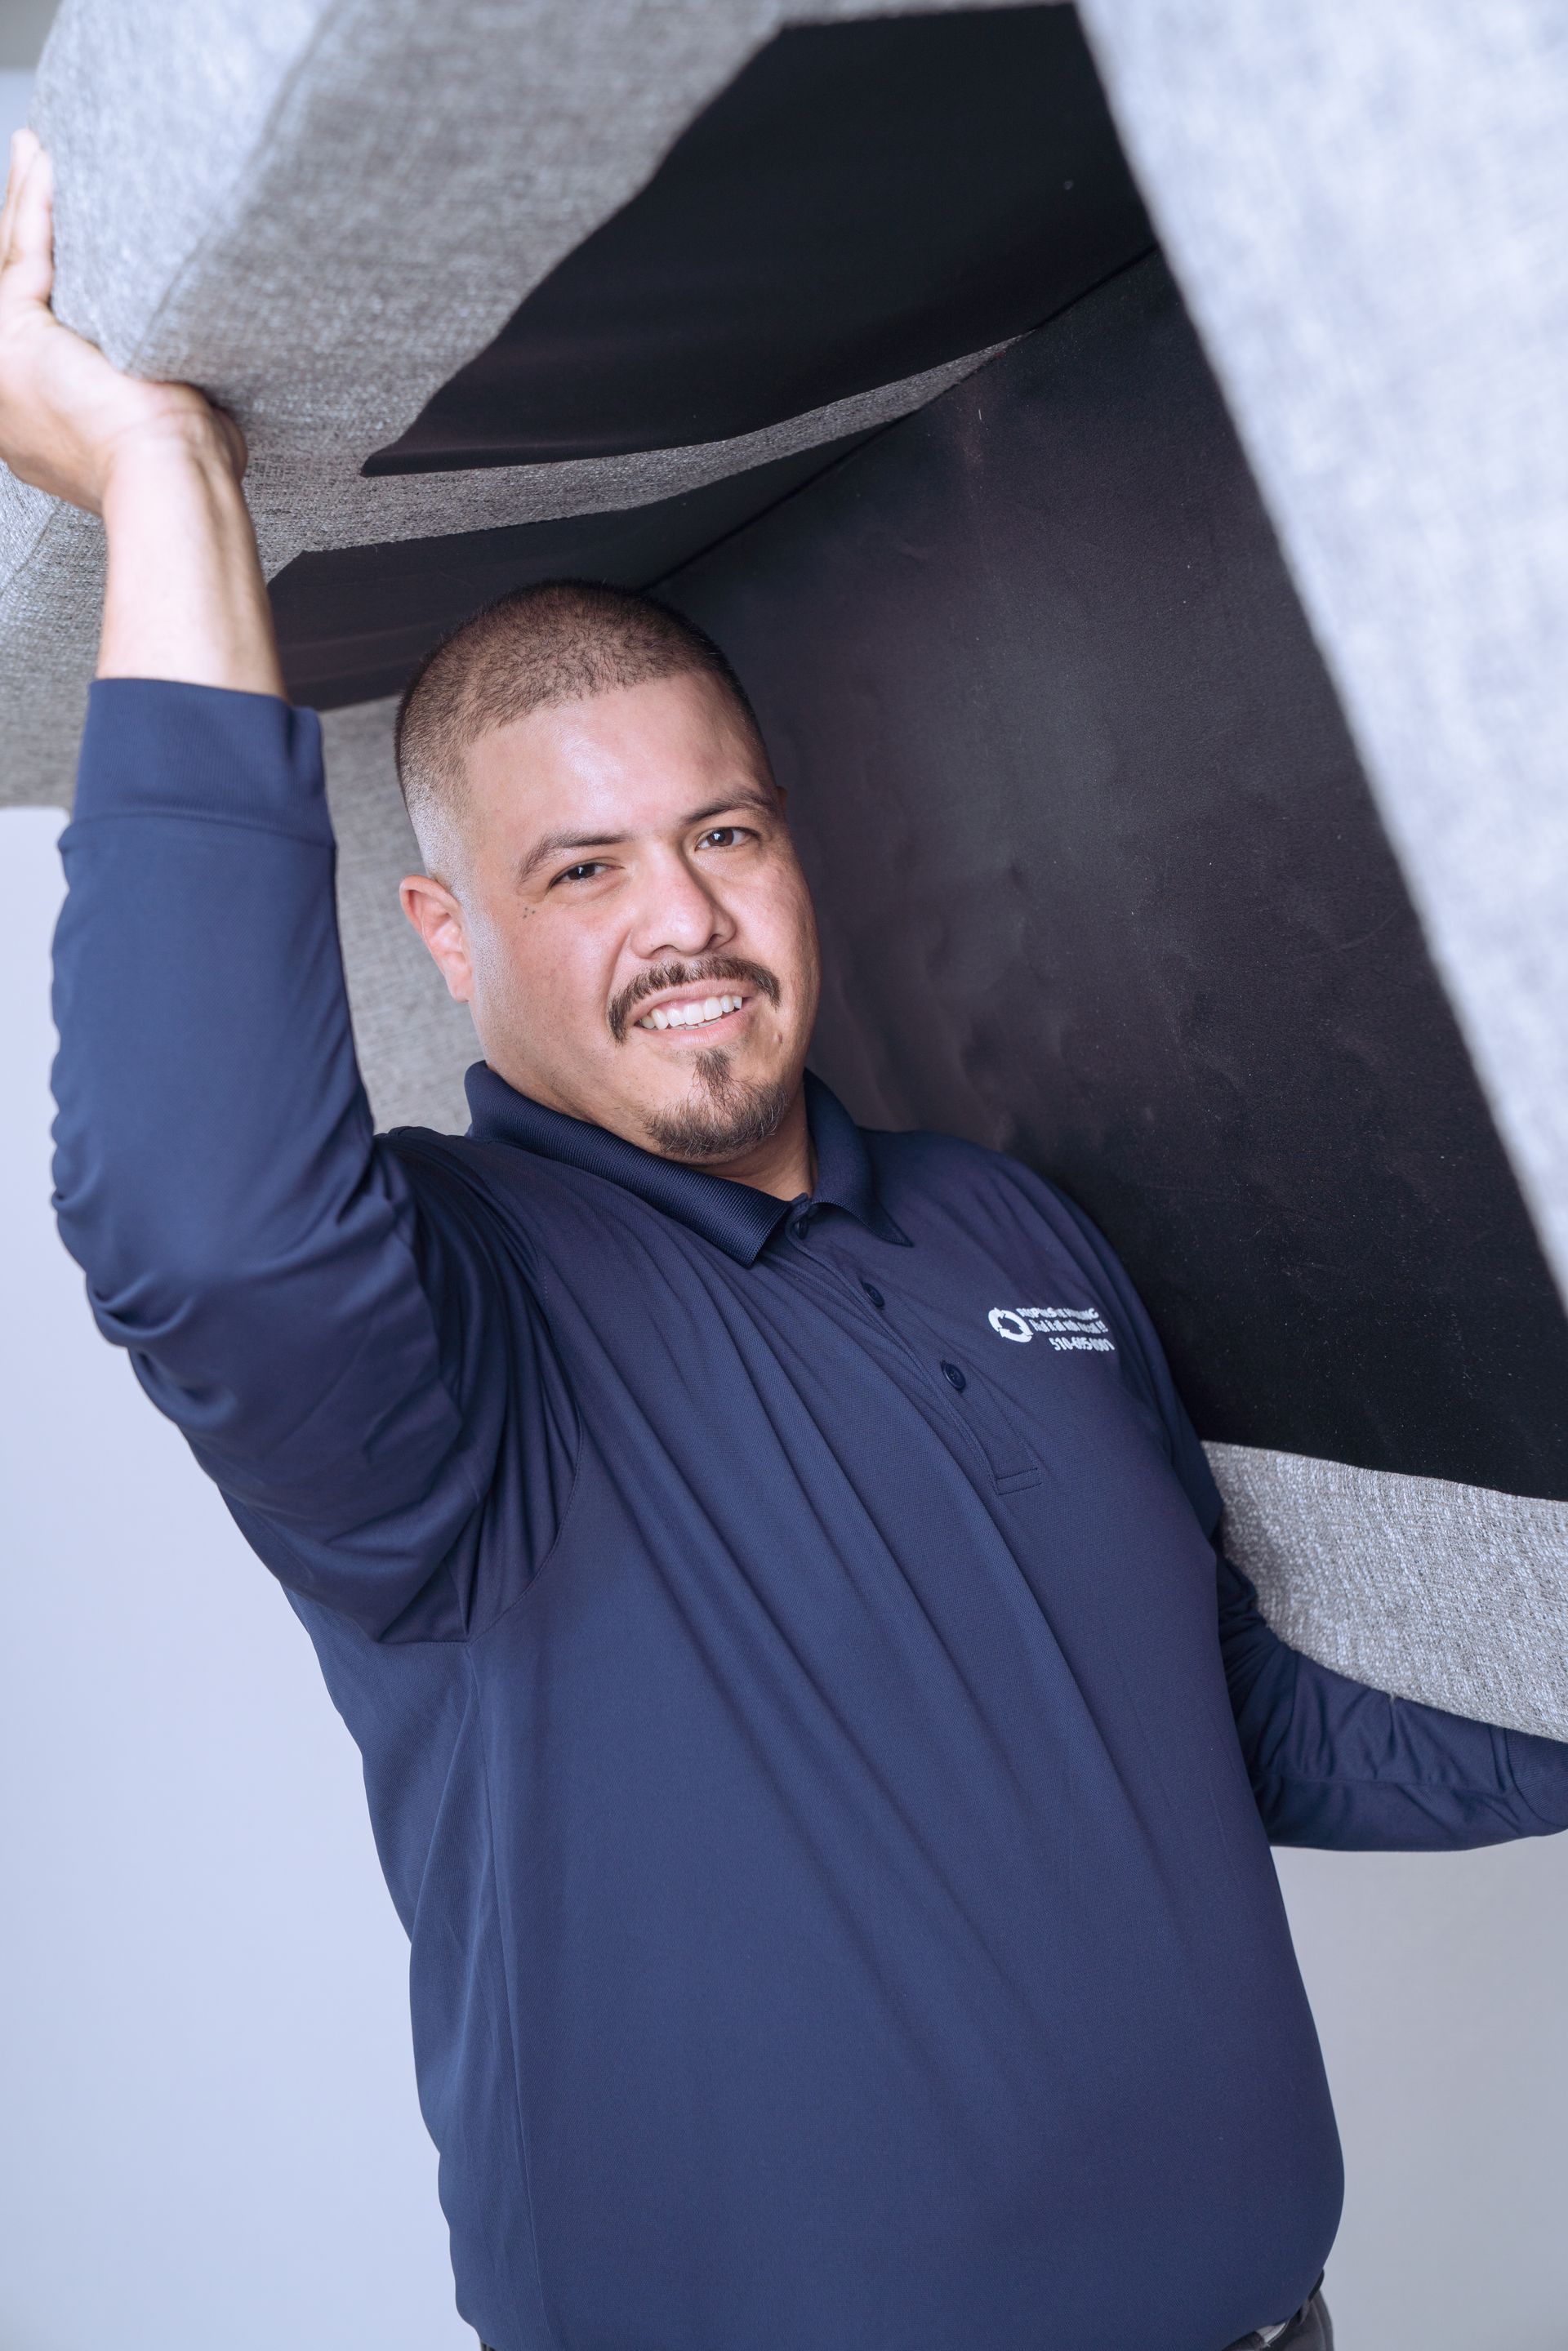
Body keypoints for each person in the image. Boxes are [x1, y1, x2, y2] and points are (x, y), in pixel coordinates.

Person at [4, 127, 1566, 2351]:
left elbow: (1208, 1717)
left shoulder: (1002, 1229)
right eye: (585, 871)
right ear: (445, 935)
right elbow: (203, 1223)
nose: (687, 924)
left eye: (724, 833)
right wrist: (165, 483)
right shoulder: (446, 1346)